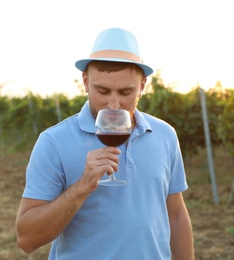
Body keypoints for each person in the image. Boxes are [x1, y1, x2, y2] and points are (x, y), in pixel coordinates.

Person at [16, 27, 194, 260]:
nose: (113, 104)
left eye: (125, 92)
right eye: (102, 90)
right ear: (86, 81)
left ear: (142, 85)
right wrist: (82, 187)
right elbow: (27, 239)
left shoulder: (165, 135)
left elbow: (176, 216)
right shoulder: (53, 142)